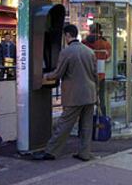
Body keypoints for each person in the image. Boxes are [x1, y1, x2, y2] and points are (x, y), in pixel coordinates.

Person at [33, 25, 98, 161]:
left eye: (64, 36)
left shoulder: (67, 52)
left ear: (67, 35)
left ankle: (51, 152)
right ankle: (84, 153)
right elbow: (94, 74)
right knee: (86, 126)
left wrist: (45, 76)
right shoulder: (89, 51)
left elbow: (58, 73)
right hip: (90, 93)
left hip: (75, 95)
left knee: (64, 124)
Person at [82, 23, 111, 116]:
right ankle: (102, 118)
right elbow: (108, 57)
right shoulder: (105, 43)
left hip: (86, 74)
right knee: (101, 99)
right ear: (100, 31)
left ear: (90, 31)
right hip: (100, 74)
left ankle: (87, 119)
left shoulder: (84, 42)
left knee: (87, 99)